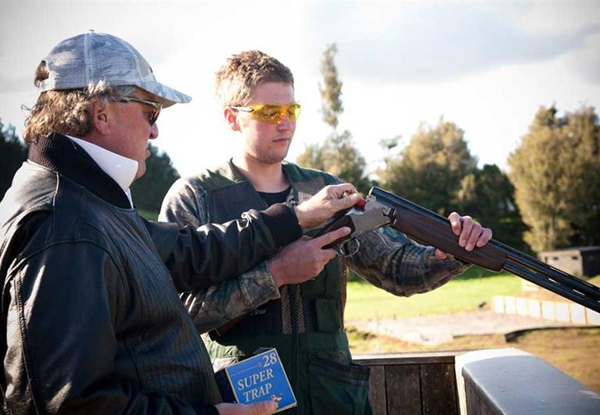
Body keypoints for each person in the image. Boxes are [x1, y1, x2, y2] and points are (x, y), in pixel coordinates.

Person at [0, 33, 361, 415]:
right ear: (100, 112)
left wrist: (295, 216)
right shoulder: (65, 226)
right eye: (150, 112)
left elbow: (192, 252)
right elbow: (69, 403)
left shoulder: (90, 203)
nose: (155, 131)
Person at [159, 50, 493, 415]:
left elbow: (398, 269)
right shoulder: (195, 197)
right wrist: (275, 275)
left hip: (333, 397)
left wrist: (449, 252)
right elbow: (174, 316)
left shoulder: (325, 189)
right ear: (232, 118)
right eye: (270, 113)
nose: (285, 124)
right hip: (242, 401)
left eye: (292, 111)